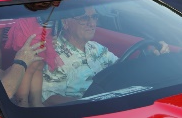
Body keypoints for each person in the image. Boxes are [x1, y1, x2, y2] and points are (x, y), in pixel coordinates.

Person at [41, 6, 170, 106]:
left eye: (94, 17)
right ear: (65, 22)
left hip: (116, 105)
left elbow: (122, 69)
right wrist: (89, 105)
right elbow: (49, 99)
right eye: (84, 18)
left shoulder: (95, 47)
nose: (92, 24)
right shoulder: (53, 54)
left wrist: (150, 55)